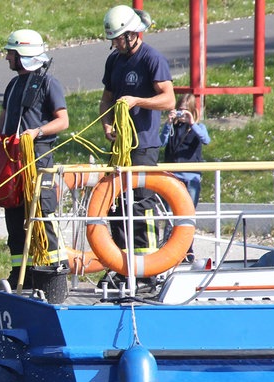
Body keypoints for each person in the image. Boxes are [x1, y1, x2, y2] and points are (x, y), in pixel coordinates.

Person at [0, 29, 69, 289]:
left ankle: (51, 273)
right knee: (14, 216)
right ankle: (21, 273)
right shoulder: (13, 85)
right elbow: (2, 122)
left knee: (40, 215)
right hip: (12, 162)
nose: (7, 57)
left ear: (24, 55)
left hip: (37, 160)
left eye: (11, 53)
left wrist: (37, 132)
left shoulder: (48, 83)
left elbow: (63, 121)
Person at [98, 5, 176, 267]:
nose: (116, 44)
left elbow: (168, 99)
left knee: (140, 204)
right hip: (120, 147)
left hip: (143, 145)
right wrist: (108, 124)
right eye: (113, 40)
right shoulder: (114, 60)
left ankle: (148, 267)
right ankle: (123, 266)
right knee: (117, 206)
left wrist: (137, 101)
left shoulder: (151, 59)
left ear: (132, 34)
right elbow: (106, 99)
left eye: (119, 38)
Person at [160, 93, 210, 261]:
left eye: (184, 111)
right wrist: (168, 123)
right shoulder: (173, 127)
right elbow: (161, 143)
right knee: (169, 214)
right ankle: (169, 248)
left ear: (192, 111)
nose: (181, 114)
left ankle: (187, 250)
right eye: (179, 110)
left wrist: (192, 122)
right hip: (172, 177)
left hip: (191, 178)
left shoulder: (198, 127)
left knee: (188, 214)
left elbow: (206, 139)